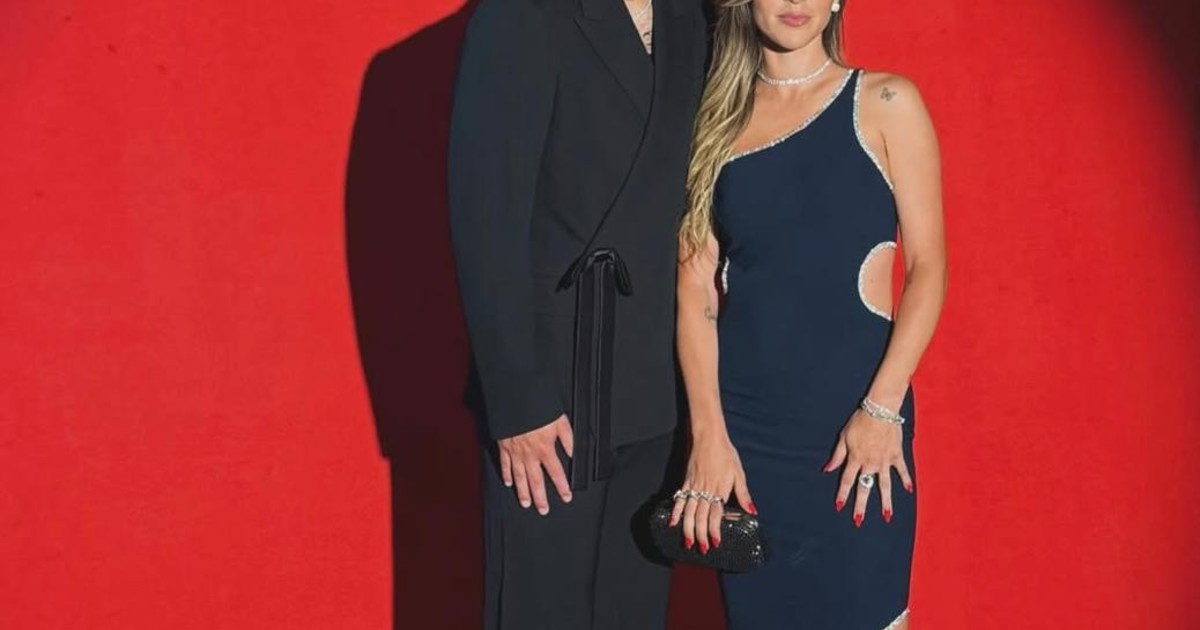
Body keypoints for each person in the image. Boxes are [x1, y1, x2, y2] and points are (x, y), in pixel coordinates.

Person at [670, 0, 948, 628]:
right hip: (748, 436)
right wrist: (708, 437)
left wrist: (882, 409)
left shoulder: (886, 103)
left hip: (856, 425)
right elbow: (695, 292)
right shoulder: (713, 122)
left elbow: (928, 267)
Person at [446, 0, 709, 627]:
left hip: (654, 387)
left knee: (633, 610)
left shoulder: (692, 16)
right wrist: (518, 402)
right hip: (552, 391)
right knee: (543, 611)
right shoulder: (520, 16)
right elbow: (486, 218)